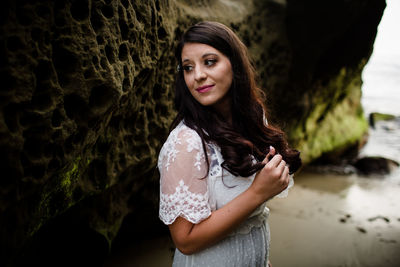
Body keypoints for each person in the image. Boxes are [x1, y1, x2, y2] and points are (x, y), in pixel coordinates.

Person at [158, 21, 301, 267]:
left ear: (234, 64)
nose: (198, 75)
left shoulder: (253, 120)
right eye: (188, 67)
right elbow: (185, 240)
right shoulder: (186, 142)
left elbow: (250, 219)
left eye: (209, 61)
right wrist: (257, 193)